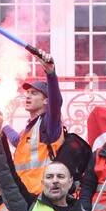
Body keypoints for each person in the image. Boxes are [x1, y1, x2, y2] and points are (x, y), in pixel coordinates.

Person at [9, 50, 64, 196]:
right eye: (27, 93)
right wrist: (3, 126)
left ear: (46, 100)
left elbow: (56, 101)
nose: (27, 97)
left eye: (34, 93)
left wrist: (50, 73)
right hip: (24, 194)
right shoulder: (30, 127)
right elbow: (16, 140)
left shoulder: (49, 123)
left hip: (41, 195)